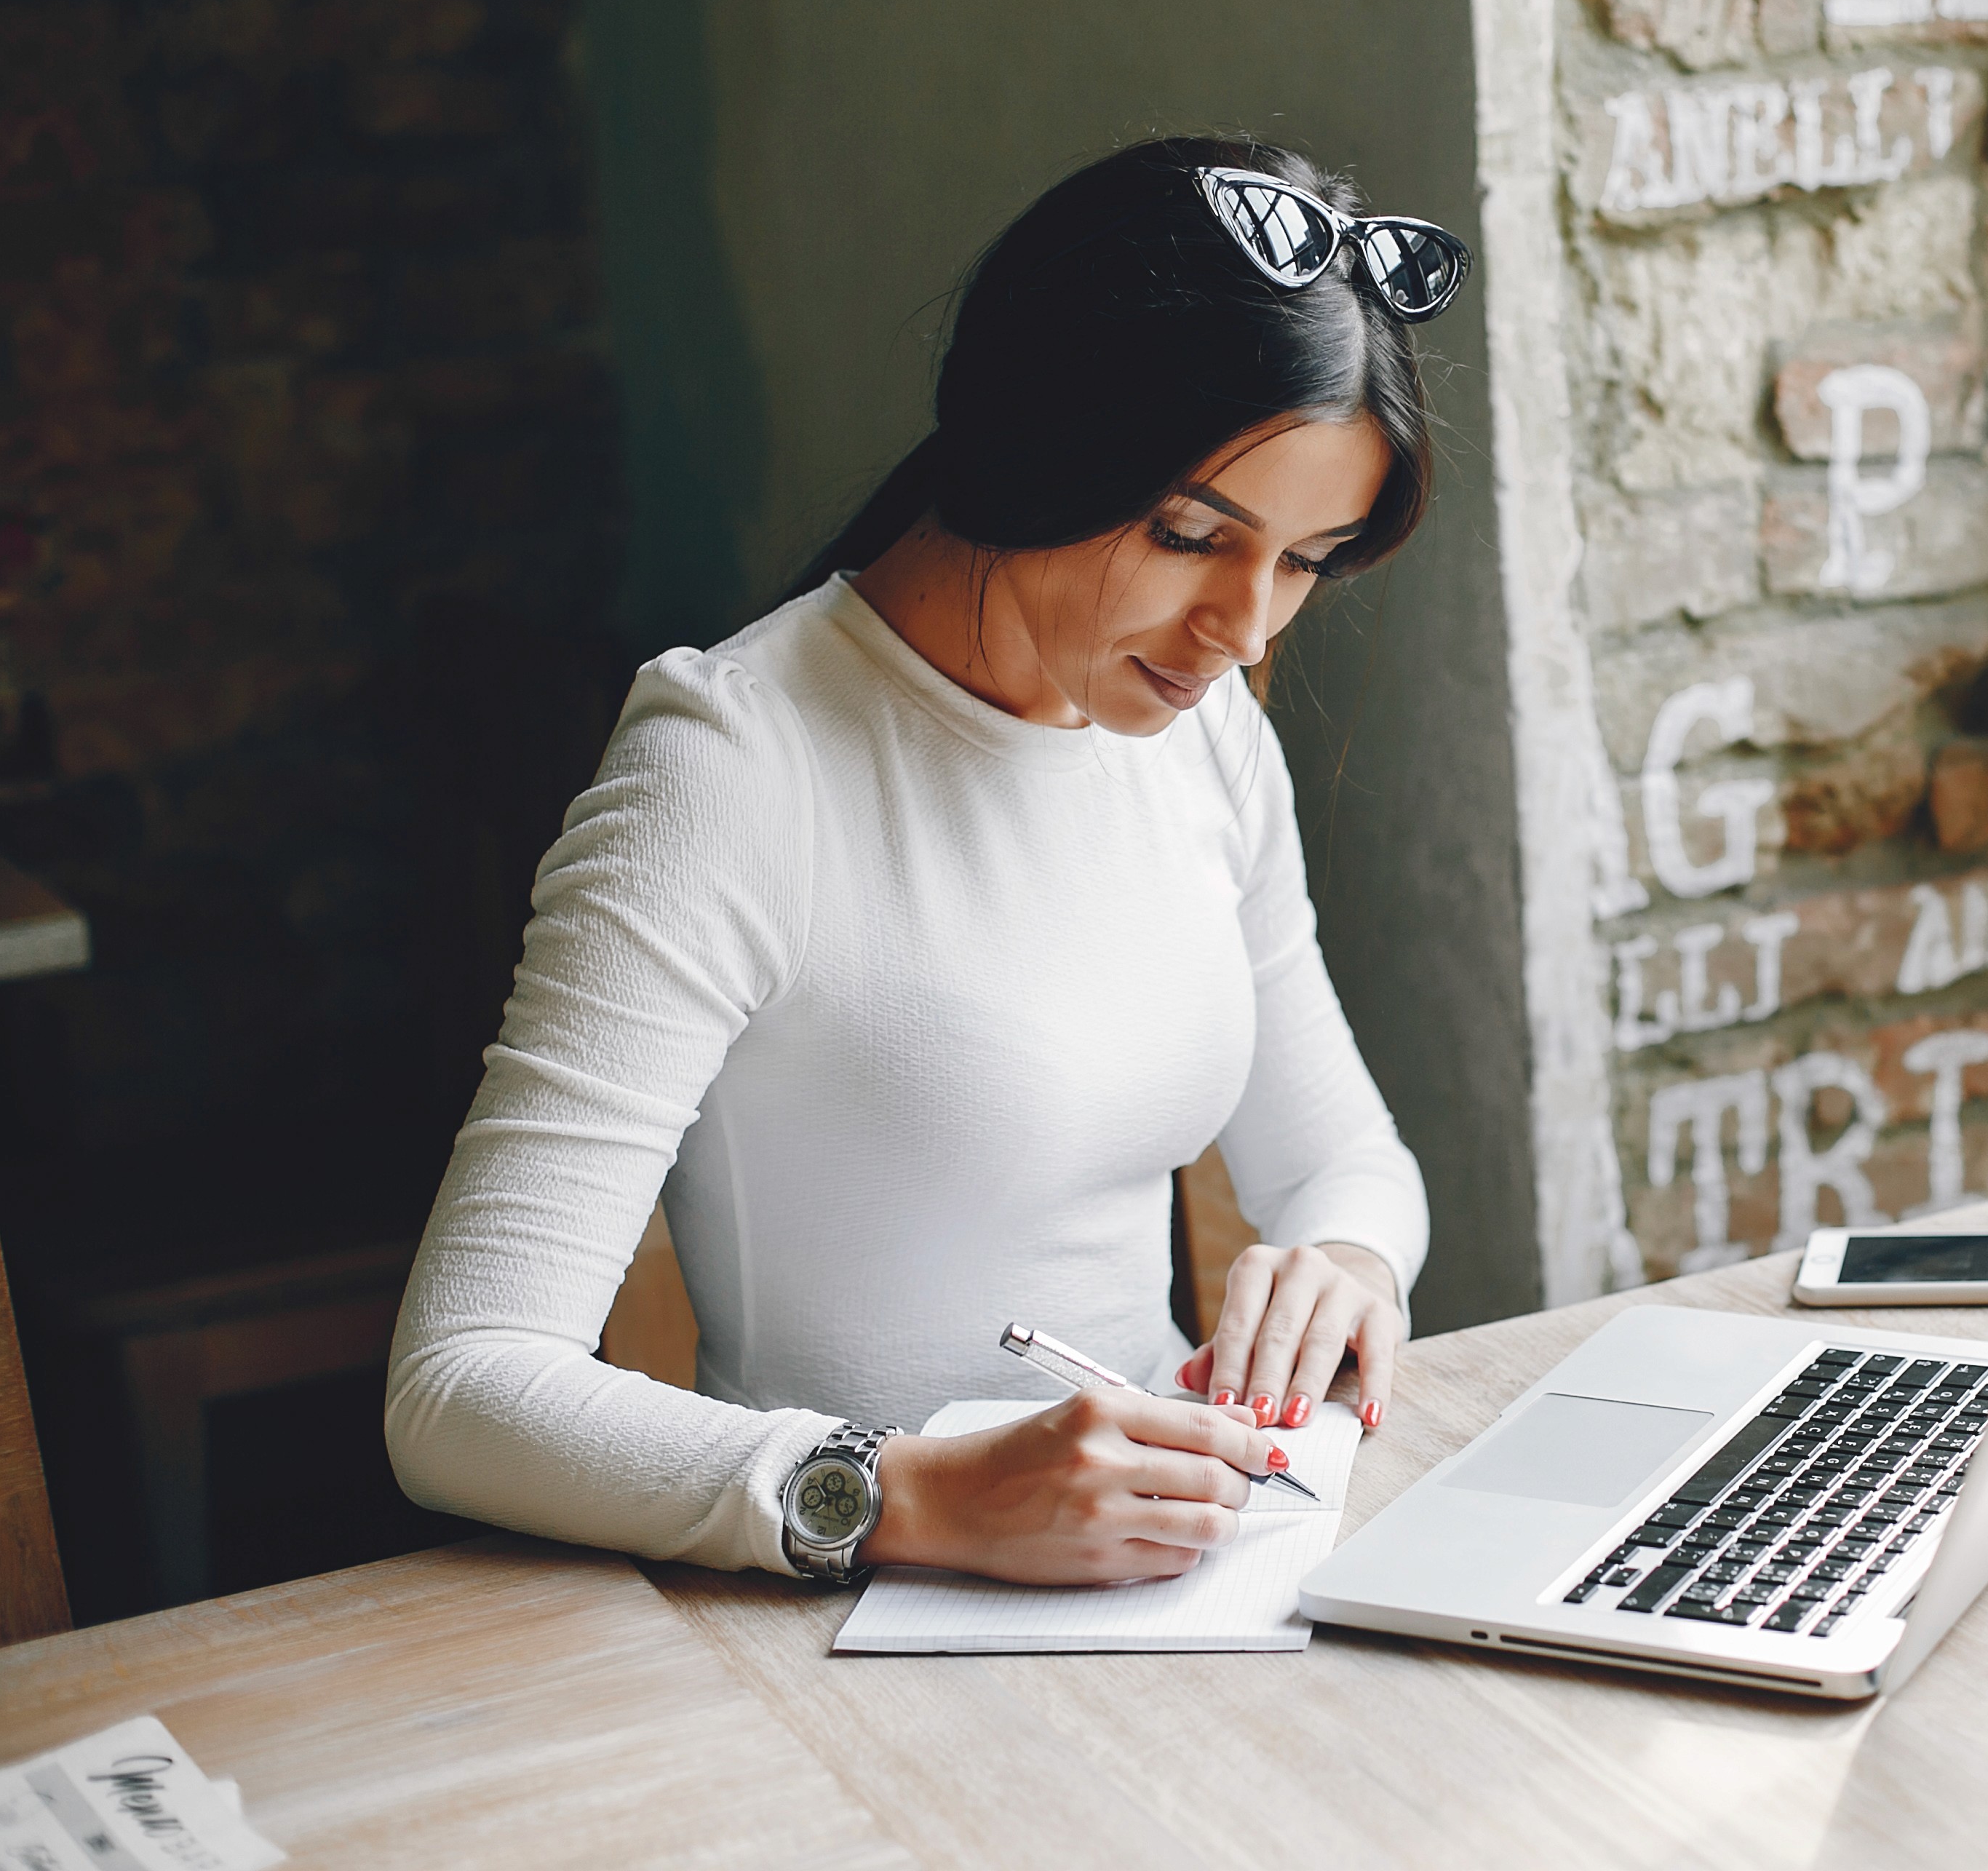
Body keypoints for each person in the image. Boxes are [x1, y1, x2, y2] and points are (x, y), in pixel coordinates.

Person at [384, 136, 1471, 1587]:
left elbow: (1346, 1162)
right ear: (1037, 443)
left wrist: (1338, 1268)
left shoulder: (1198, 739)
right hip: (839, 1629)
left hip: (1180, 1577)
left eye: (1305, 560)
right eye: (1192, 536)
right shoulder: (731, 772)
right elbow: (459, 1386)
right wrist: (911, 1497)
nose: (1248, 630)